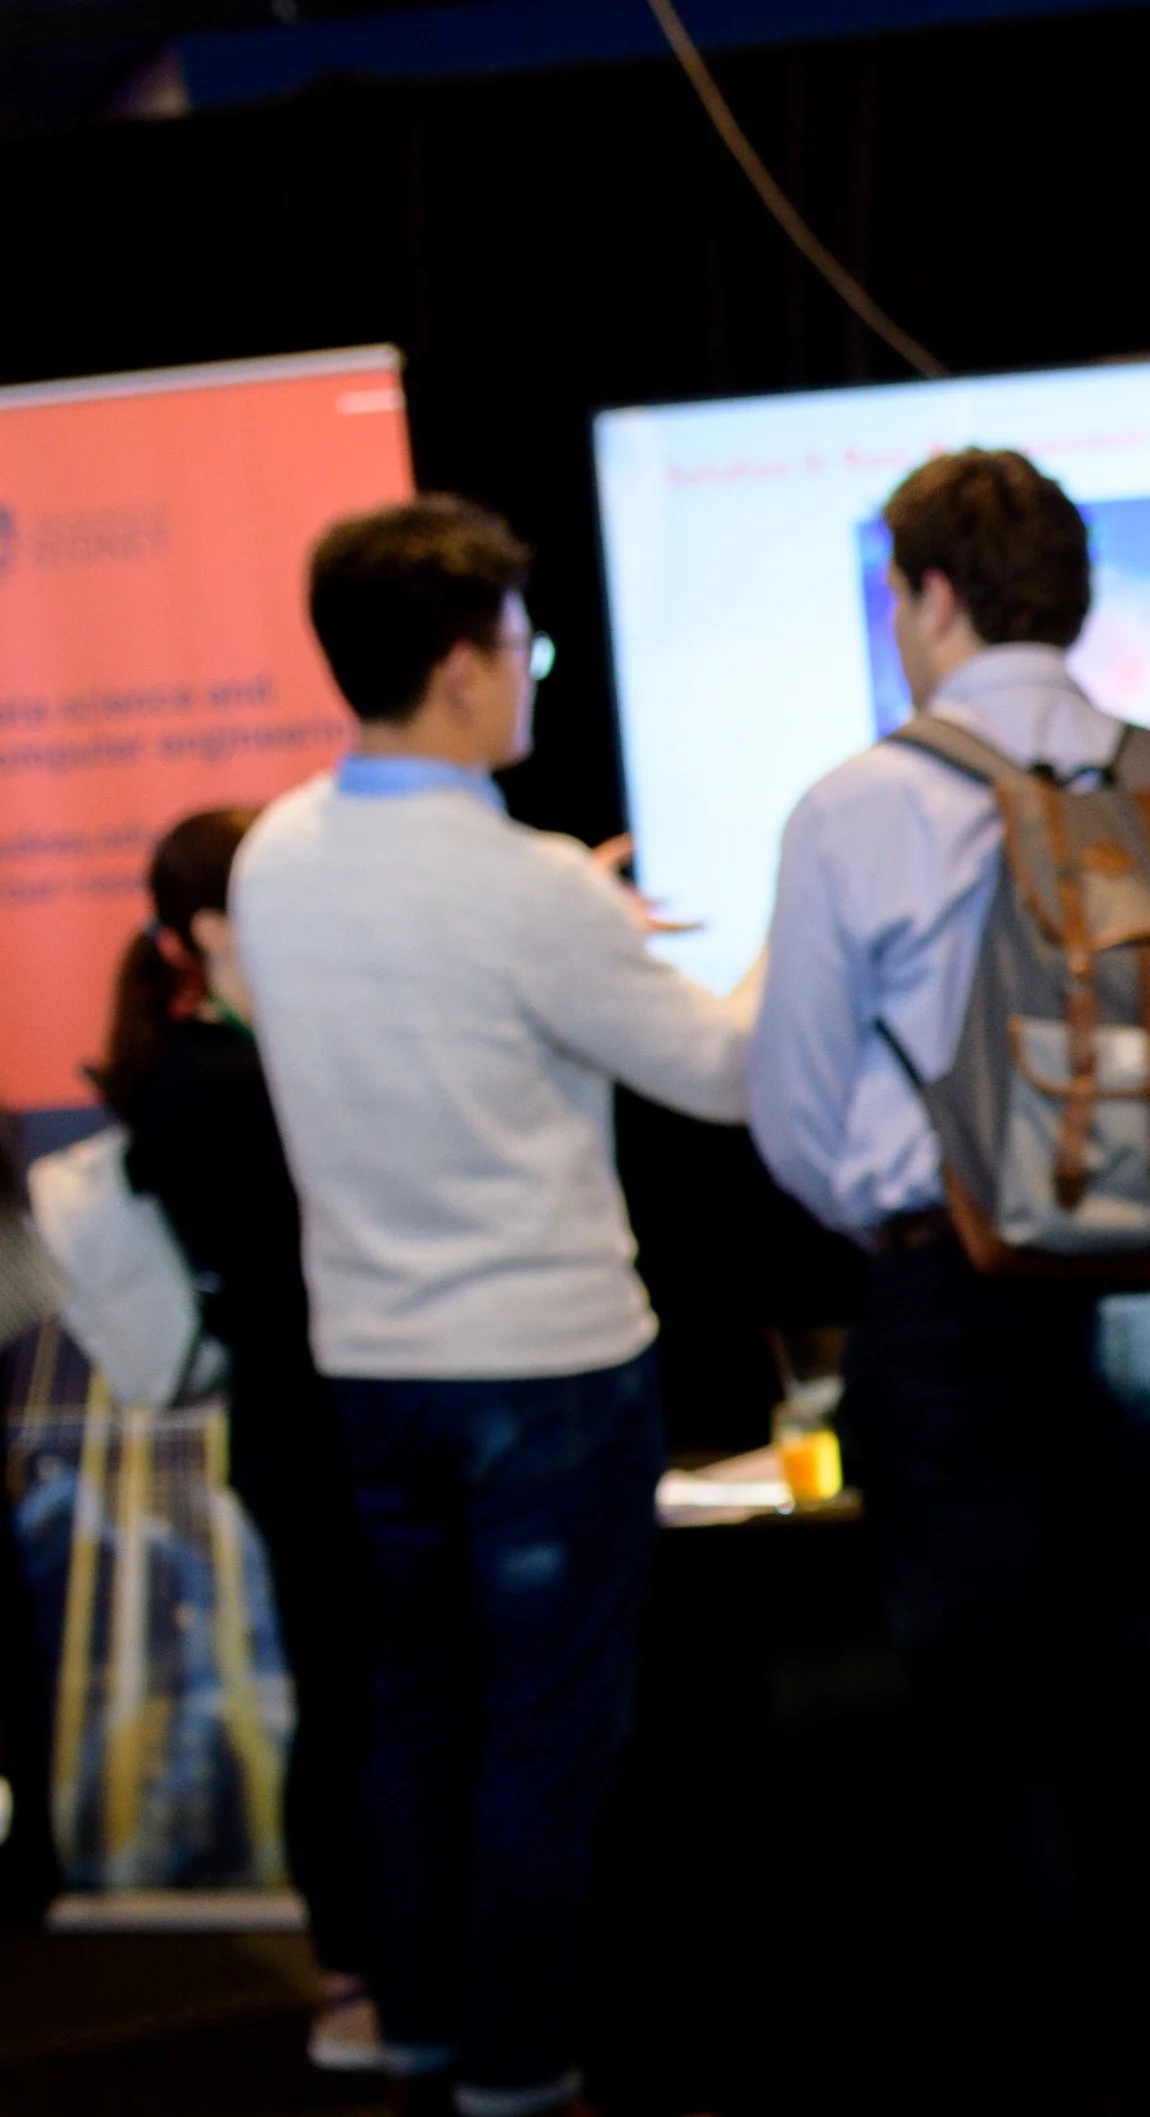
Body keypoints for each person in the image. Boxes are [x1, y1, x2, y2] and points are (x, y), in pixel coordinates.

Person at [745, 447, 1150, 2052]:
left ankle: (1042, 2060)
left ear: (921, 595)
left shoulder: (858, 806)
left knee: (992, 1716)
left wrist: (928, 1217)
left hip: (956, 1303)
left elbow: (792, 1112)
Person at [233, 496, 758, 2117]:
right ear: (465, 665)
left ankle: (424, 2043)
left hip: (371, 1367)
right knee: (542, 1737)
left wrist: (577, 915)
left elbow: (427, 984)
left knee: (418, 1710)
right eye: (520, 642)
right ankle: (522, 2078)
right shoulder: (529, 887)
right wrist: (788, 915)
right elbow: (728, 1070)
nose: (530, 668)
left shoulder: (273, 853)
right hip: (542, 1368)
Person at [93, 807, 385, 2071]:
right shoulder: (207, 1078)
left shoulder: (242, 1057)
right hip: (301, 1421)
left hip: (327, 1413)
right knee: (346, 1691)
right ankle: (356, 1981)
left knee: (374, 1686)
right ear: (213, 924)